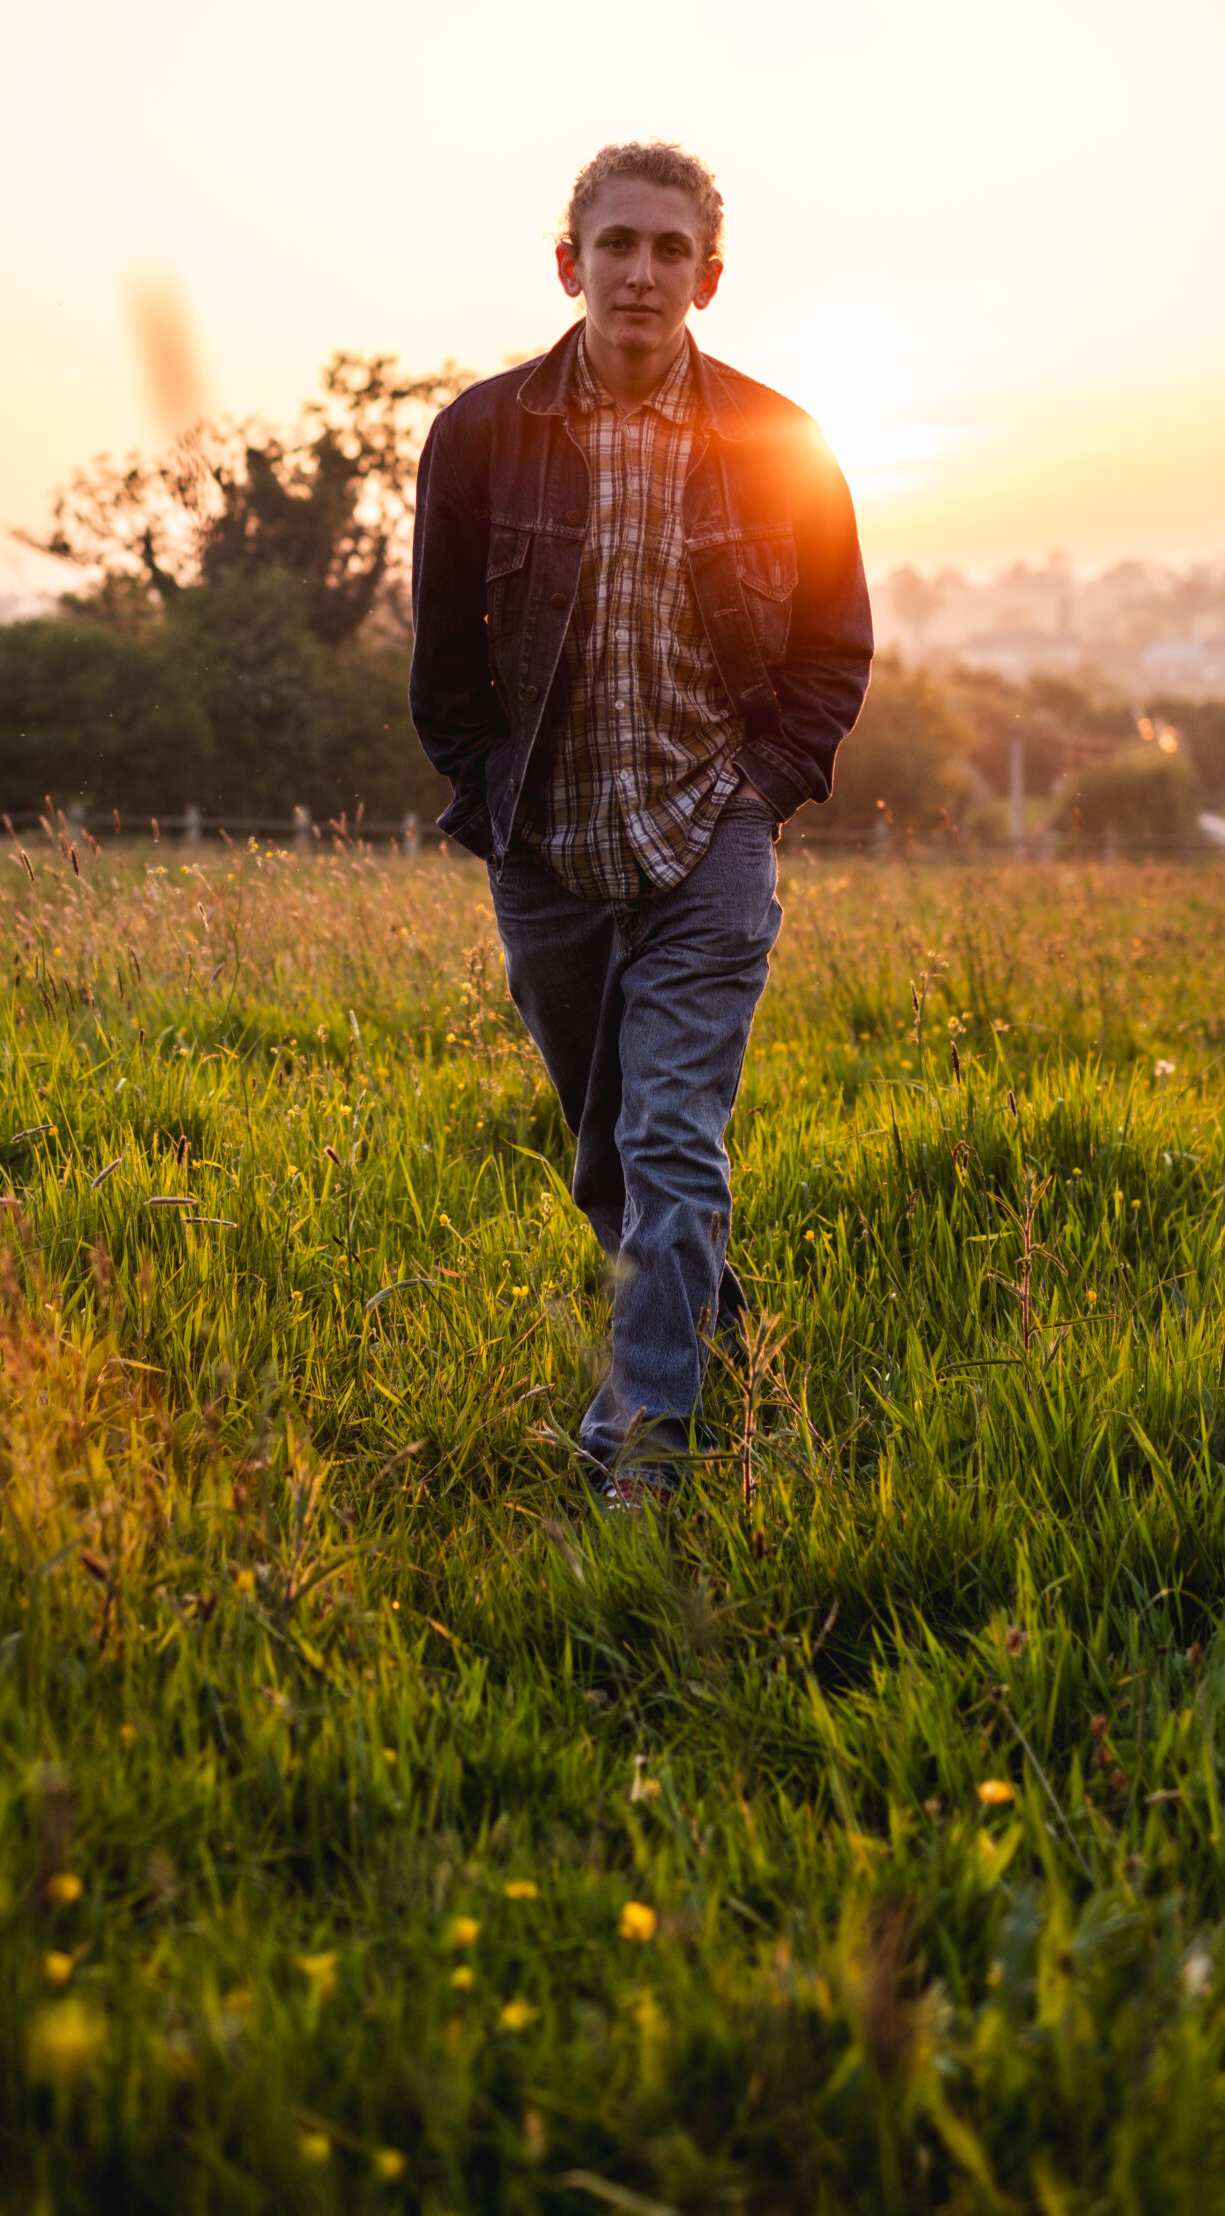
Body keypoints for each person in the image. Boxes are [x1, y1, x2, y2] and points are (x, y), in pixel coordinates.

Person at [409, 142, 872, 1506]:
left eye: (671, 250)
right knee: (606, 1148)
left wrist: (762, 788)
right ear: (570, 264)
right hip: (546, 842)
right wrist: (495, 797)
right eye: (617, 243)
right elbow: (443, 661)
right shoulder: (483, 435)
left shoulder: (781, 438)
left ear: (707, 280)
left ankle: (646, 1452)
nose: (642, 270)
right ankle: (721, 1335)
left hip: (707, 834)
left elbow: (835, 650)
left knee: (673, 1141)